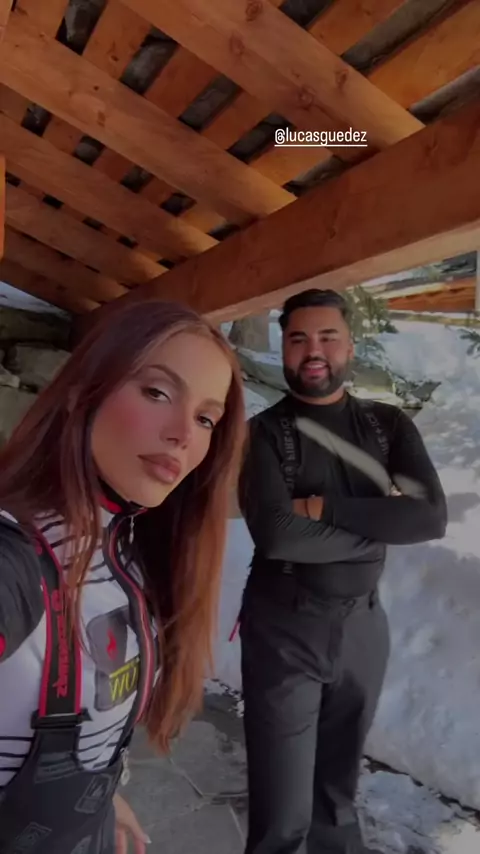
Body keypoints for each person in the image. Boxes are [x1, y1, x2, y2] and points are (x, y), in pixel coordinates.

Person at [0, 298, 246, 854]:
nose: (183, 433)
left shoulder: (130, 550)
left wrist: (101, 796)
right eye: (157, 392)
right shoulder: (14, 559)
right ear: (80, 392)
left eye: (206, 418)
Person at [238, 288, 447, 854]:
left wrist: (319, 508)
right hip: (284, 630)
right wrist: (381, 523)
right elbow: (278, 535)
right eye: (298, 338)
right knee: (283, 814)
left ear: (350, 345)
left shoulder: (387, 426)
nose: (314, 351)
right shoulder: (264, 434)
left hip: (362, 628)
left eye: (328, 336)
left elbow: (430, 517)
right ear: (284, 349)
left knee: (336, 798)